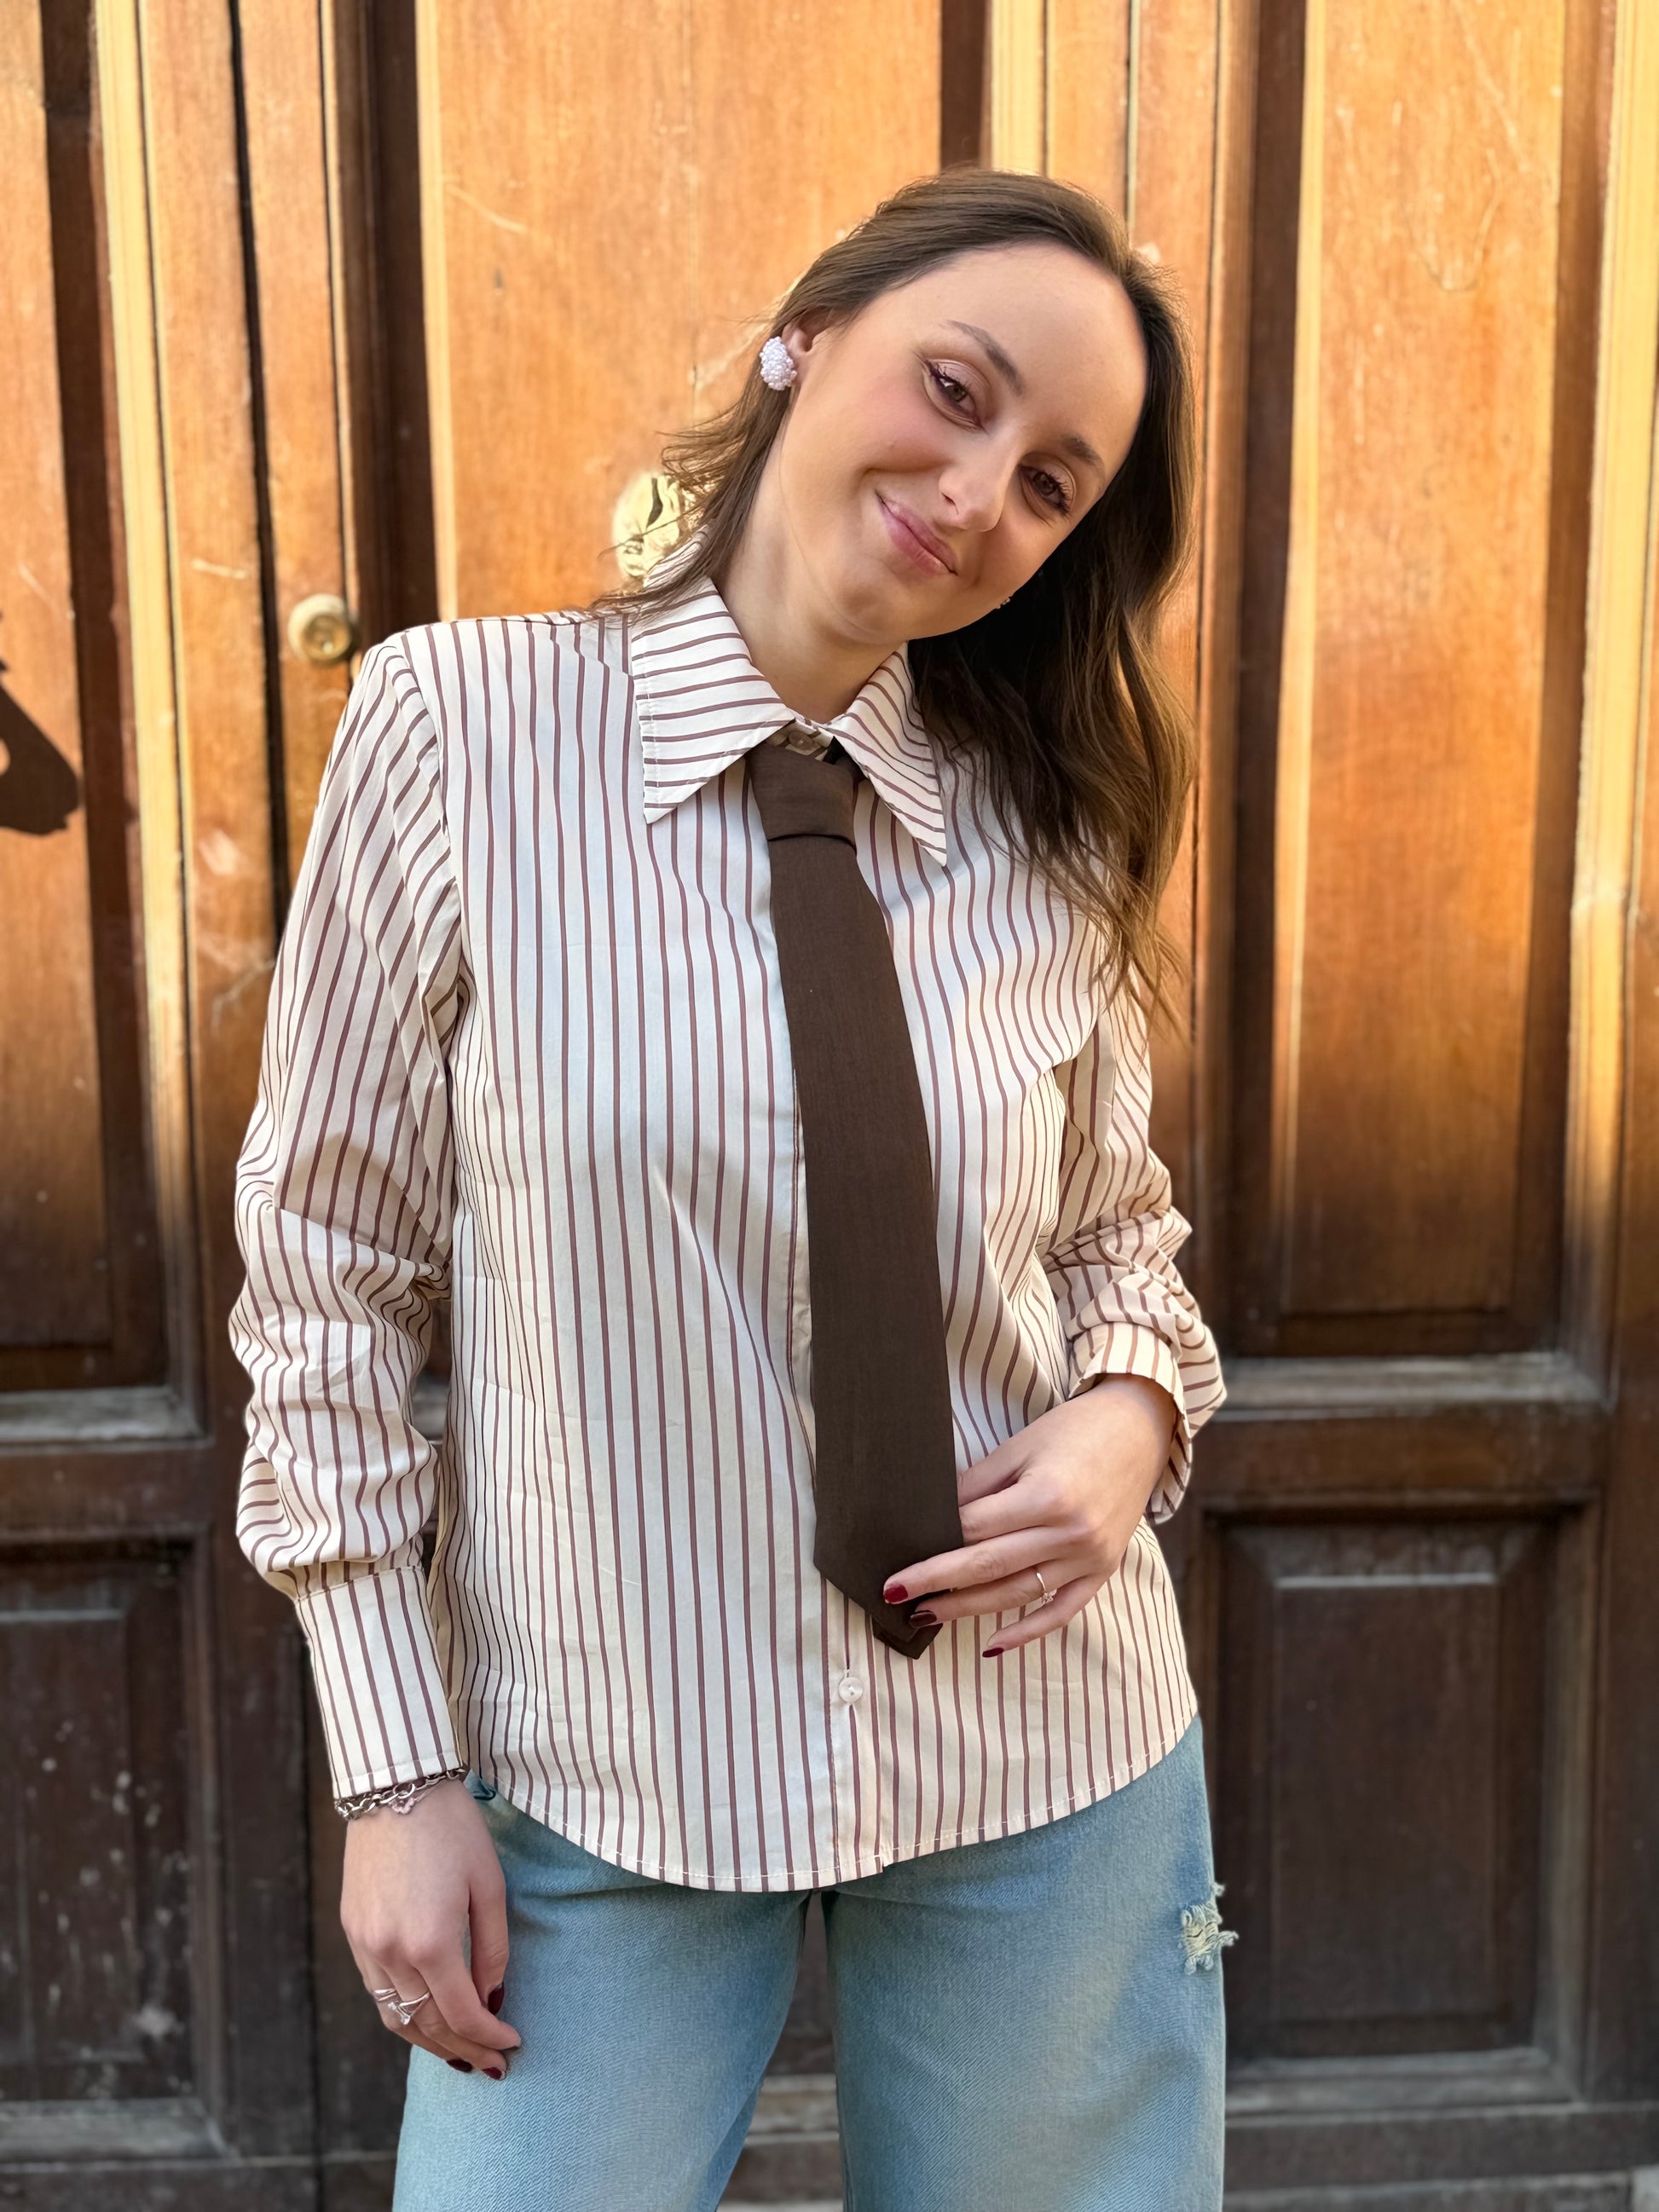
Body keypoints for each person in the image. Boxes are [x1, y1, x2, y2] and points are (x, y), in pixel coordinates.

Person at [230, 165, 1234, 2212]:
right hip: (609, 1763)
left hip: (1042, 1742)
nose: (977, 489)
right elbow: (327, 1274)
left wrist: (1132, 1414)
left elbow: (1112, 1234)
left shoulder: (1042, 829)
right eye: (953, 388)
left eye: (1050, 482)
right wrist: (396, 1769)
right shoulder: (457, 731)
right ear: (807, 337)